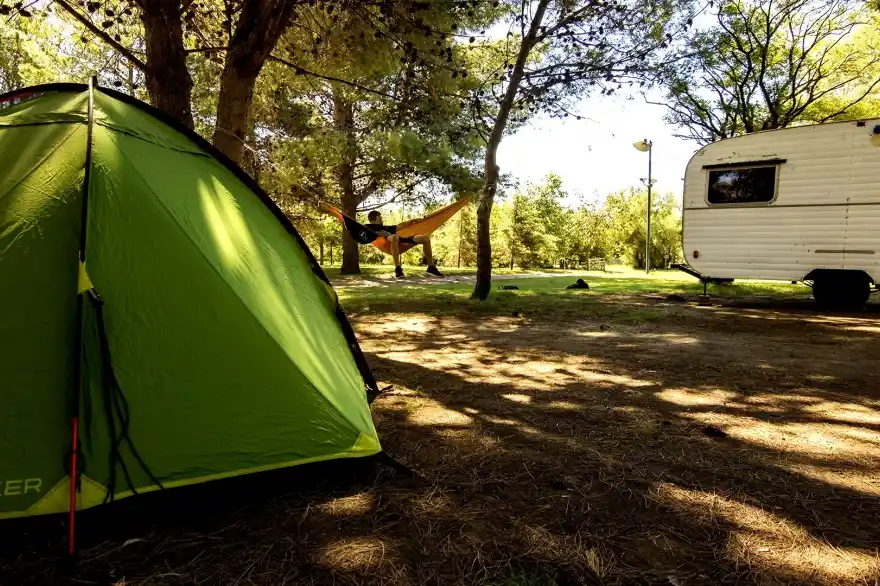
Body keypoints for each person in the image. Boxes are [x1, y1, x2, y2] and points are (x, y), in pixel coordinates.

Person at [365, 210, 444, 278]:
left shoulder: (386, 227)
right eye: (381, 218)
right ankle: (398, 268)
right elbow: (364, 232)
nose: (382, 219)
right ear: (377, 218)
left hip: (401, 241)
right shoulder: (367, 227)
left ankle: (431, 267)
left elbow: (399, 226)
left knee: (425, 238)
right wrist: (380, 233)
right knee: (394, 237)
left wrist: (411, 221)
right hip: (388, 242)